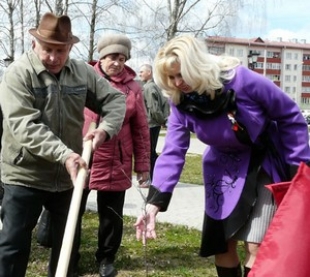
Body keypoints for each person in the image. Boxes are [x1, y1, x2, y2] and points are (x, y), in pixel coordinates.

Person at [134, 35, 310, 277]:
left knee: (256, 244)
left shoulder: (241, 80)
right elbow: (173, 150)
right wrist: (154, 203)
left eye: (181, 74)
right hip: (223, 170)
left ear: (196, 65)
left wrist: (298, 167)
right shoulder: (179, 102)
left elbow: (290, 115)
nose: (177, 82)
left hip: (265, 163)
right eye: (171, 77)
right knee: (223, 245)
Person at [0, 12, 126, 277]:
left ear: (70, 47)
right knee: (12, 247)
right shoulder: (18, 74)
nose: (54, 58)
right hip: (25, 175)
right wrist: (66, 154)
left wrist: (105, 130)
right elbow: (24, 125)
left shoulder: (81, 72)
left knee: (67, 247)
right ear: (34, 43)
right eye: (48, 50)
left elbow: (115, 100)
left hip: (68, 179)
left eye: (61, 50)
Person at [72, 34, 150, 277]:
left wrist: (144, 166)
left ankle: (106, 258)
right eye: (111, 57)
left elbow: (140, 129)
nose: (116, 62)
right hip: (82, 155)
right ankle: (68, 256)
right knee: (72, 209)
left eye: (121, 58)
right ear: (101, 57)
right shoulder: (82, 77)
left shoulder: (134, 88)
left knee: (111, 217)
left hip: (116, 160)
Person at [139, 64, 170, 183]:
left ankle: (153, 179)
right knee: (151, 152)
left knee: (149, 153)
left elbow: (154, 109)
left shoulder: (149, 88)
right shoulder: (154, 86)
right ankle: (161, 174)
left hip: (150, 125)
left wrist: (162, 120)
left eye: (142, 71)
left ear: (149, 72)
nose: (140, 74)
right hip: (153, 124)